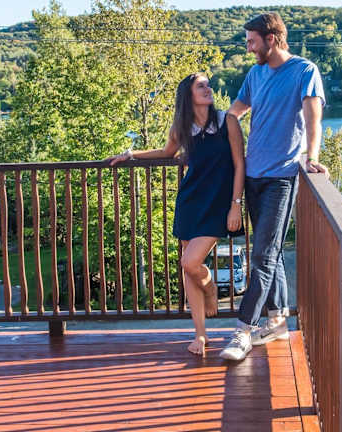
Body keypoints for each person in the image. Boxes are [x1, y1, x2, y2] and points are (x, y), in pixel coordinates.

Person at [108, 72, 245, 356]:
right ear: (188, 95)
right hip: (190, 201)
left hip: (218, 203)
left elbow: (239, 165)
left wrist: (236, 203)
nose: (208, 89)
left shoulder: (227, 121)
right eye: (201, 86)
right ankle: (200, 334)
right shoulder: (181, 128)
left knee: (190, 262)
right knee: (188, 267)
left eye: (208, 85)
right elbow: (166, 152)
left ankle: (210, 288)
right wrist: (132, 155)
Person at [220, 13, 328, 361]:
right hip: (253, 176)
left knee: (262, 257)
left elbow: (313, 118)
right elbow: (233, 114)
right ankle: (278, 321)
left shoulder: (304, 71)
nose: (248, 48)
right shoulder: (255, 74)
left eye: (252, 41)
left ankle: (243, 330)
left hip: (282, 178)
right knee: (272, 253)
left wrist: (312, 157)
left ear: (271, 38)